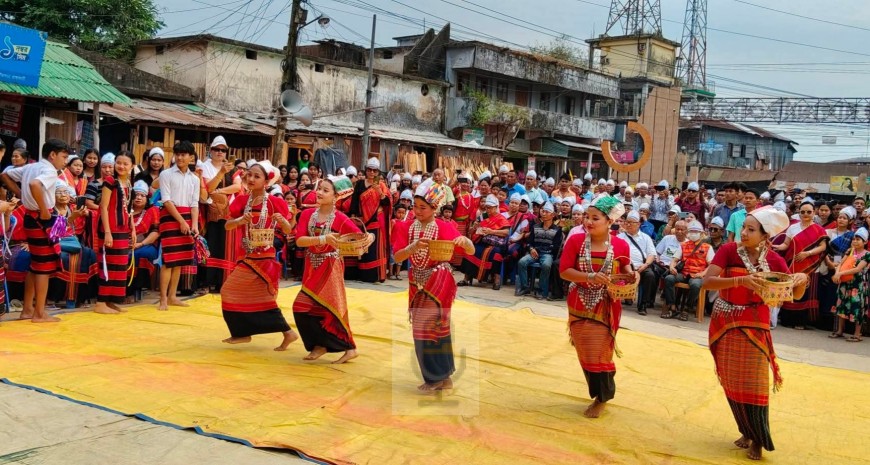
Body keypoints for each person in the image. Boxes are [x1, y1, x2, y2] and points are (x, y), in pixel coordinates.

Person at [702, 205, 808, 461]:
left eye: (751, 230)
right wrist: (739, 281)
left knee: (755, 382)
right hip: (725, 319)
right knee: (732, 380)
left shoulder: (774, 260)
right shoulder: (728, 251)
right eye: (743, 228)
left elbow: (792, 295)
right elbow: (707, 282)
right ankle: (746, 431)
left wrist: (801, 281)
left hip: (755, 322)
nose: (744, 233)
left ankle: (759, 439)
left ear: (765, 236)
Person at [392, 179, 474, 392]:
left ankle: (435, 378)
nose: (418, 211)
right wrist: (412, 247)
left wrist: (466, 242)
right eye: (415, 206)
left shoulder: (444, 228)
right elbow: (397, 256)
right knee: (430, 328)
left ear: (434, 208)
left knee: (426, 325)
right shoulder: (405, 226)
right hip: (416, 279)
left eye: (423, 207)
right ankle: (443, 378)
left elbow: (470, 250)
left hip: (438, 278)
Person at [559, 195, 632, 418]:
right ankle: (598, 392)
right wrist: (590, 275)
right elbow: (564, 271)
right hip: (579, 301)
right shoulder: (575, 242)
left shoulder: (620, 244)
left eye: (595, 218)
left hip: (607, 304)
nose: (588, 222)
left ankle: (603, 396)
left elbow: (626, 271)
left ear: (609, 221)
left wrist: (632, 276)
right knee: (585, 350)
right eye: (587, 217)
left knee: (599, 351)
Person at [219, 162, 300, 350]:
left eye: (257, 176)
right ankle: (245, 333)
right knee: (231, 291)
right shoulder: (241, 201)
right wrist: (240, 220)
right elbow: (227, 225)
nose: (251, 179)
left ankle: (284, 333)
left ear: (266, 181)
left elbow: (288, 230)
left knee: (262, 298)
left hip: (265, 257)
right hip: (247, 255)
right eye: (249, 175)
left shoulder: (275, 202)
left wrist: (282, 221)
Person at [292, 175, 360, 364]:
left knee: (332, 306)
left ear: (336, 196)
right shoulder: (307, 215)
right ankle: (320, 345)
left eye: (325, 190)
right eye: (319, 188)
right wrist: (323, 239)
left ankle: (349, 347)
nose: (319, 193)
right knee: (306, 307)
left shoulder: (341, 219)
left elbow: (359, 236)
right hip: (312, 265)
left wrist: (367, 239)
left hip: (330, 267)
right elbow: (299, 240)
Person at [0, 139, 70, 322]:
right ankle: (39, 312)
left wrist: (22, 195)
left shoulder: (31, 167)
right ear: (53, 155)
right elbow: (34, 185)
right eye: (64, 157)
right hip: (40, 217)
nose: (65, 161)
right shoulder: (48, 170)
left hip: (31, 217)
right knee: (43, 268)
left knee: (35, 265)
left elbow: (5, 175)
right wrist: (44, 209)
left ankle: (28, 309)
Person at [157, 141, 203, 311]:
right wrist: (181, 221)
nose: (180, 157)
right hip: (170, 217)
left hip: (188, 218)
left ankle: (172, 296)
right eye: (178, 154)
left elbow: (194, 203)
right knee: (168, 260)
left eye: (184, 155)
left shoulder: (195, 179)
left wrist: (195, 224)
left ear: (191, 157)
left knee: (180, 260)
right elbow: (166, 200)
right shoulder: (166, 174)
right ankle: (163, 298)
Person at [773, 199, 829, 330]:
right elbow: (786, 244)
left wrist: (807, 253)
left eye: (809, 212)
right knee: (791, 290)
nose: (805, 214)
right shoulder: (793, 228)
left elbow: (823, 247)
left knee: (805, 292)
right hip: (793, 264)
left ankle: (801, 321)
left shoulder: (819, 229)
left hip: (809, 266)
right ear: (799, 213)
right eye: (802, 212)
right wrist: (776, 246)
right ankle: (787, 319)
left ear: (814, 213)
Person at [93, 151, 135, 315]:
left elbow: (129, 208)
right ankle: (100, 302)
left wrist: (133, 228)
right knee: (108, 264)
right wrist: (108, 232)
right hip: (110, 227)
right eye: (119, 162)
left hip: (123, 228)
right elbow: (103, 207)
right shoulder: (110, 181)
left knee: (120, 265)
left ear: (132, 166)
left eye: (125, 163)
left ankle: (110, 301)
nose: (121, 166)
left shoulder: (129, 183)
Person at [200, 136, 240, 293]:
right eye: (217, 149)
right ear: (211, 150)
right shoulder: (204, 167)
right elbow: (207, 187)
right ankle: (207, 280)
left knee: (225, 245)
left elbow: (237, 187)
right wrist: (221, 174)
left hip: (227, 211)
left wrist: (220, 191)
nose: (219, 153)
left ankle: (222, 281)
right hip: (209, 212)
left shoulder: (232, 169)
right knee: (211, 244)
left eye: (223, 150)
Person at [349, 157, 391, 283]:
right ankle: (363, 275)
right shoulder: (360, 184)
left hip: (376, 220)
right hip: (362, 220)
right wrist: (353, 215)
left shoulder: (381, 185)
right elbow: (355, 200)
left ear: (378, 172)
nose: (372, 173)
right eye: (369, 170)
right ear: (366, 170)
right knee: (364, 249)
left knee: (374, 249)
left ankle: (376, 276)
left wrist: (380, 193)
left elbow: (387, 204)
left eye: (375, 171)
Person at [664, 220, 714, 321]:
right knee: (669, 278)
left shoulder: (707, 247)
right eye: (691, 231)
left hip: (697, 275)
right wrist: (672, 267)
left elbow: (711, 265)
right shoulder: (683, 245)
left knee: (695, 285)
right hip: (684, 273)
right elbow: (675, 260)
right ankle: (672, 306)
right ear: (688, 233)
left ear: (701, 233)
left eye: (696, 232)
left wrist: (702, 274)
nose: (693, 234)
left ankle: (687, 309)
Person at [458, 194, 510, 289]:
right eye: (487, 208)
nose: (488, 210)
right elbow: (472, 230)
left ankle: (496, 279)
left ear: (496, 207)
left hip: (495, 244)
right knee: (471, 250)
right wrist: (474, 228)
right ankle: (466, 278)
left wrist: (492, 231)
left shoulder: (501, 218)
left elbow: (506, 232)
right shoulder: (483, 216)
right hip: (482, 241)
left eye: (490, 208)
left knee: (496, 254)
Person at [517, 201, 562, 299]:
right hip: (534, 252)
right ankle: (525, 287)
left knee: (546, 265)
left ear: (553, 215)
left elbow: (555, 246)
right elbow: (529, 242)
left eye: (547, 212)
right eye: (543, 211)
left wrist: (540, 249)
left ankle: (542, 291)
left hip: (547, 254)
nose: (544, 214)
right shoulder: (535, 227)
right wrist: (532, 249)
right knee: (522, 262)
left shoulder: (557, 230)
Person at [830, 227, 869, 342]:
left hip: (858, 284)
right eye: (854, 239)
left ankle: (857, 334)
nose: (855, 241)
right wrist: (837, 273)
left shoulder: (867, 255)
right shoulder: (849, 251)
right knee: (841, 305)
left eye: (858, 239)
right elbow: (840, 264)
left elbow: (857, 269)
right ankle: (840, 331)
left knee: (857, 307)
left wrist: (840, 273)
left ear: (865, 242)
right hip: (845, 283)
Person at [619, 210, 657, 315]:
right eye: (627, 222)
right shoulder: (620, 237)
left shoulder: (646, 237)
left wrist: (645, 265)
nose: (628, 224)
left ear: (639, 224)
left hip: (641, 266)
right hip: (624, 266)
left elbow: (651, 254)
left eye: (632, 222)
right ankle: (622, 297)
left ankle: (642, 305)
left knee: (650, 275)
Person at [129, 180, 160, 300]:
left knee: (142, 254)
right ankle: (124, 292)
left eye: (142, 195)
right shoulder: (125, 211)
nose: (138, 198)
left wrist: (140, 244)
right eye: (136, 195)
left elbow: (156, 232)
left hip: (146, 244)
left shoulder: (152, 211)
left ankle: (137, 289)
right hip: (124, 244)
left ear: (147, 198)